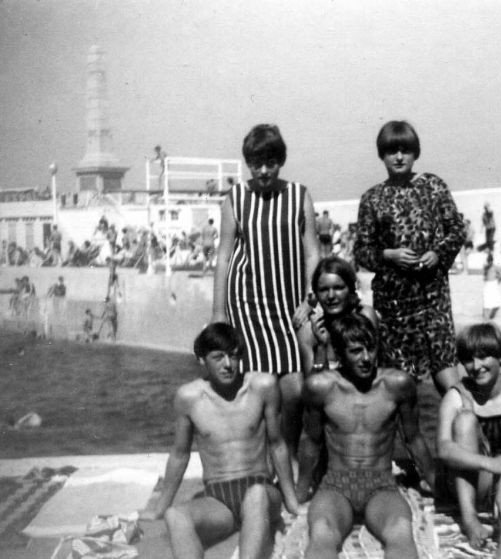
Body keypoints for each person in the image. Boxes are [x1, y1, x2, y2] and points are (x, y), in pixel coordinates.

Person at [140, 323, 299, 559]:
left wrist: (292, 503)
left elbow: (277, 444)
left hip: (261, 489)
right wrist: (160, 508)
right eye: (218, 357)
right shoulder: (189, 397)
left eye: (234, 356)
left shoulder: (262, 386)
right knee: (175, 516)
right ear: (202, 360)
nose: (228, 364)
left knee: (255, 495)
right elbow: (179, 454)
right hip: (218, 498)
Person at [211, 123, 320, 458]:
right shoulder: (236, 198)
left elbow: (313, 251)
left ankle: (284, 455)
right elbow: (225, 255)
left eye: (270, 162)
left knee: (293, 389)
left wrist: (308, 298)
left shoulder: (299, 195)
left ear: (280, 161)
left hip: (289, 306)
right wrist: (218, 313)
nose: (263, 170)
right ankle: (258, 460)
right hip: (247, 304)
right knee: (259, 386)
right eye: (256, 163)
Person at [298, 313, 435, 558]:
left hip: (380, 483)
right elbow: (311, 440)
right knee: (322, 533)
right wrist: (301, 490)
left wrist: (433, 481)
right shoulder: (321, 388)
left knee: (401, 532)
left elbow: (413, 438)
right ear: (340, 354)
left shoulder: (396, 384)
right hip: (336, 483)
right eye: (356, 351)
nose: (365, 358)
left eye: (370, 349)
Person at [354, 120, 466, 394]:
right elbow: (361, 250)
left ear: (415, 152)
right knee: (401, 382)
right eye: (392, 152)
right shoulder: (372, 198)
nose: (399, 157)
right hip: (394, 304)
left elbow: (456, 229)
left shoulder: (433, 186)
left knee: (446, 372)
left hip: (432, 297)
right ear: (382, 155)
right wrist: (389, 255)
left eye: (405, 150)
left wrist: (438, 254)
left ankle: (468, 430)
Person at [436, 323, 501, 558]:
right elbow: (443, 449)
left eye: (484, 357)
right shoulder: (457, 395)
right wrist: (493, 465)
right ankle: (469, 518)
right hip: (475, 483)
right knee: (464, 421)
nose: (476, 367)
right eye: (469, 360)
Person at [297, 256, 378, 377]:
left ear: (351, 289)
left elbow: (373, 369)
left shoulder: (365, 316)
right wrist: (321, 347)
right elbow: (314, 386)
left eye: (338, 288)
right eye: (323, 290)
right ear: (316, 294)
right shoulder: (310, 331)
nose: (330, 296)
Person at [482, 252, 501, 320]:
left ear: (492, 260)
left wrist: (497, 282)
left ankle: (491, 315)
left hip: (493, 284)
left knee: (497, 303)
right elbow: (485, 277)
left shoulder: (496, 267)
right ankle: (486, 318)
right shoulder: (486, 267)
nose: (489, 262)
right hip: (488, 284)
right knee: (487, 302)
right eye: (488, 260)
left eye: (490, 260)